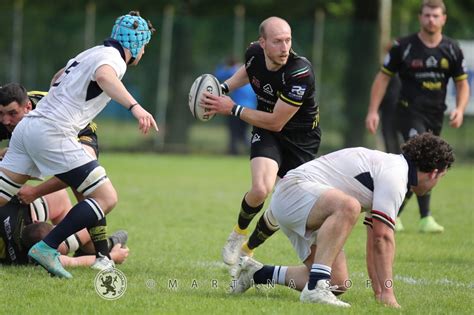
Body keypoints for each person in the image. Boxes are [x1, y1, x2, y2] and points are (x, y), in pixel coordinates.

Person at [0, 11, 158, 278]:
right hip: (51, 132)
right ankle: (49, 248)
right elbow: (107, 78)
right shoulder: (114, 60)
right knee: (106, 198)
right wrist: (136, 107)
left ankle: (84, 250)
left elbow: (57, 78)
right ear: (135, 44)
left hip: (28, 128)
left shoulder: (90, 53)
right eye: (143, 46)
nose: (143, 52)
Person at [230, 133, 454, 308]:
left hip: (307, 203)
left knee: (337, 282)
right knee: (349, 206)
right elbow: (383, 238)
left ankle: (255, 273)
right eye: (441, 178)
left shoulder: (393, 172)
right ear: (434, 172)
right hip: (294, 193)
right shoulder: (396, 175)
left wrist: (380, 292)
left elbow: (374, 239)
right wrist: (389, 294)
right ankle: (316, 289)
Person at [202, 16, 321, 266]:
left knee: (283, 205)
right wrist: (223, 88)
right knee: (260, 189)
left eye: (288, 40)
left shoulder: (300, 72)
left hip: (300, 140)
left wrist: (232, 108)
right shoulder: (254, 53)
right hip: (267, 131)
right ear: (263, 42)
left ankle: (248, 249)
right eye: (278, 41)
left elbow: (277, 121)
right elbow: (250, 69)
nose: (285, 47)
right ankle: (237, 234)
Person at [365, 0, 469, 233]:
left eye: (435, 15)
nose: (431, 19)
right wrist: (373, 110)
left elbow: (462, 84)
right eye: (427, 15)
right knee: (421, 157)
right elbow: (382, 78)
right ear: (420, 18)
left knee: (428, 160)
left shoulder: (451, 49)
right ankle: (408, 215)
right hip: (408, 112)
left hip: (435, 115)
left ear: (443, 19)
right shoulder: (403, 46)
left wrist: (460, 109)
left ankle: (414, 216)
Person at [0, 83, 114, 269]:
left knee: (88, 190)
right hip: (34, 137)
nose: (5, 120)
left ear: (27, 107)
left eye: (12, 114)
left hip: (79, 133)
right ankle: (98, 249)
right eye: (1, 114)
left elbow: (72, 175)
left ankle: (103, 254)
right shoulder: (7, 115)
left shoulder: (50, 120)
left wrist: (36, 192)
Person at [0, 193, 129, 267]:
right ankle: (105, 246)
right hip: (14, 213)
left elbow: (74, 261)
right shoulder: (34, 258)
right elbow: (73, 262)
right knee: (86, 226)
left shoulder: (20, 257)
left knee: (60, 199)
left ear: (35, 221)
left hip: (12, 216)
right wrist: (113, 257)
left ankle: (91, 246)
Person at [214, 57, 257, 155]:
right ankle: (249, 149)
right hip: (251, 109)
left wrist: (221, 66)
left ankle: (233, 151)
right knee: (243, 132)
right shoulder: (251, 71)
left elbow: (218, 75)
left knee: (234, 131)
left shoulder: (234, 71)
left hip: (236, 107)